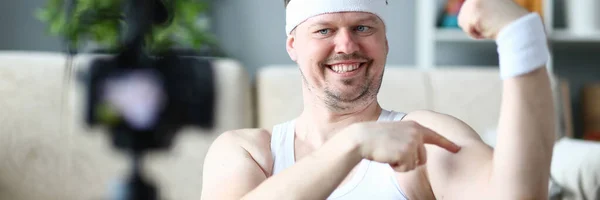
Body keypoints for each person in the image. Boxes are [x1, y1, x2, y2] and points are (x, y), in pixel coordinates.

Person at [201, 0, 556, 199]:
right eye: (324, 30)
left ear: (385, 41)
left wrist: (519, 39)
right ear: (293, 45)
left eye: (363, 28)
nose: (346, 46)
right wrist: (353, 144)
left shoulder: (424, 138)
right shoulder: (247, 153)